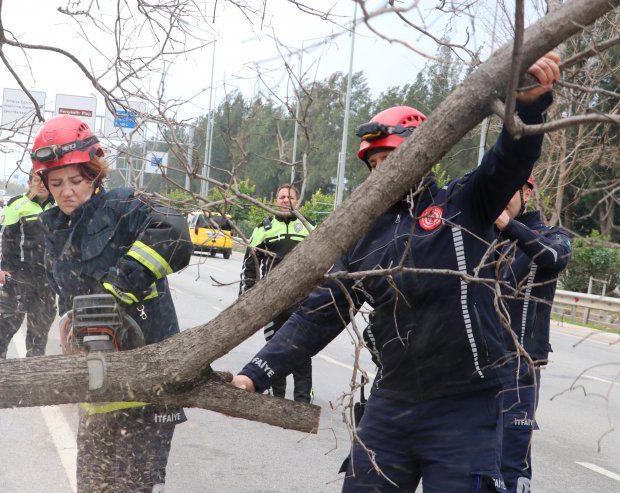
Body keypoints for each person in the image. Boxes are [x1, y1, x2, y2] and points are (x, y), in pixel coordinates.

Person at [232, 52, 561, 492]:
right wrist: (253, 374)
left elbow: (511, 157)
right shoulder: (363, 237)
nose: (380, 172)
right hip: (391, 404)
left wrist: (529, 105)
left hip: (467, 406)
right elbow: (318, 314)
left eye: (390, 158)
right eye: (373, 164)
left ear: (425, 154)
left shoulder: (466, 201)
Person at [32, 114, 193, 493]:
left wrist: (117, 289)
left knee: (131, 487)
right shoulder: (54, 228)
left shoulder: (127, 206)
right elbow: (63, 301)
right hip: (96, 390)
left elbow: (175, 233)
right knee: (93, 485)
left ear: (95, 173)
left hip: (148, 382)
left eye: (76, 180)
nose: (67, 191)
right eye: (56, 183)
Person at [495, 176, 571, 493]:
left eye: (506, 191)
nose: (498, 198)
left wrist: (506, 225)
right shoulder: (480, 238)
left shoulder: (551, 236)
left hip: (519, 371)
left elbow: (554, 258)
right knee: (466, 464)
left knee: (510, 470)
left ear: (527, 193)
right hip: (472, 368)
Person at [239, 184, 315, 403]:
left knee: (301, 350)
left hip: (302, 301)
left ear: (297, 201)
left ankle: (303, 400)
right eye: (281, 196)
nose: (285, 200)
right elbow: (250, 266)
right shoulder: (263, 228)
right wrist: (249, 297)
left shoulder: (309, 227)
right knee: (274, 349)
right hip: (272, 303)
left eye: (290, 197)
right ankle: (276, 398)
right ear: (275, 200)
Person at [0, 172, 56, 359]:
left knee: (39, 331)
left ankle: (33, 371)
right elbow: (3, 237)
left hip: (46, 280)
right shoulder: (17, 204)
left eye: (45, 182)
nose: (41, 185)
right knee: (7, 326)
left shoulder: (57, 205)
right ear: (29, 183)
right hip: (18, 276)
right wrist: (0, 268)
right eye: (37, 181)